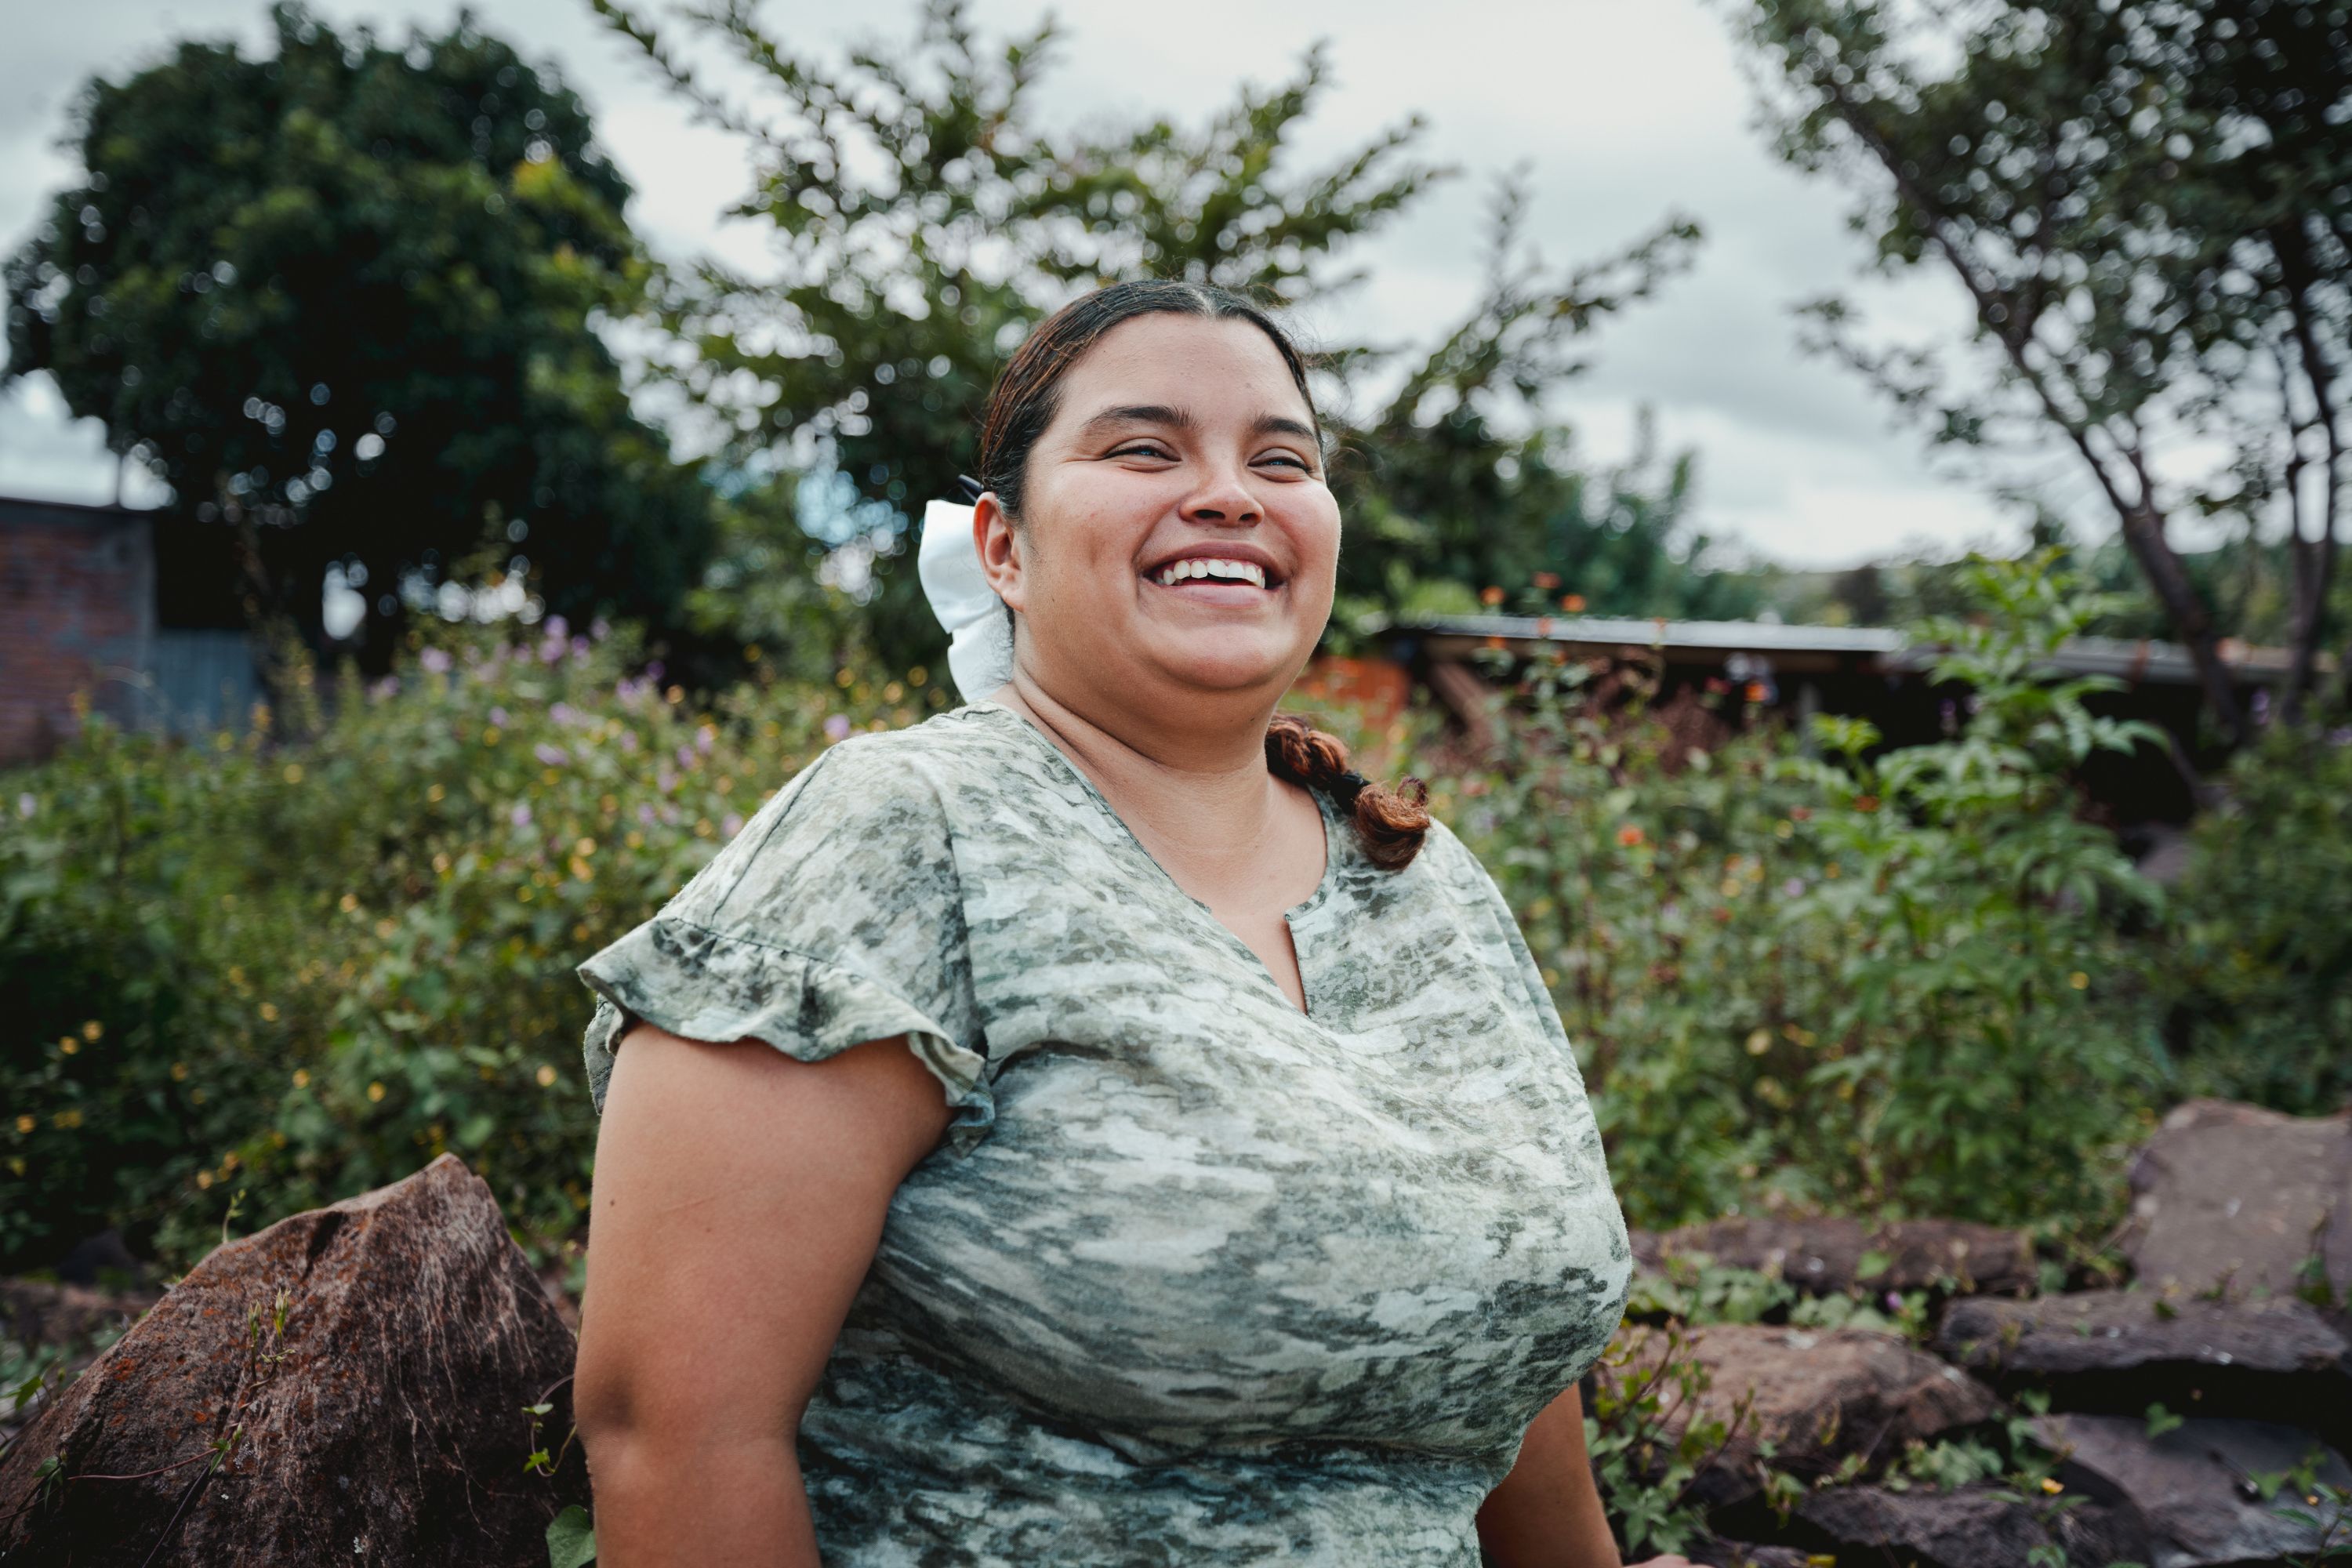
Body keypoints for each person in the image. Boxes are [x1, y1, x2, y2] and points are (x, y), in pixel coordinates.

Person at [570, 280, 1686, 1567]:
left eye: (1282, 458)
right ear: (1002, 547)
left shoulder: (1421, 880)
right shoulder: (902, 834)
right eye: (1145, 448)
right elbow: (676, 1435)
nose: (1230, 493)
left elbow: (1495, 1334)